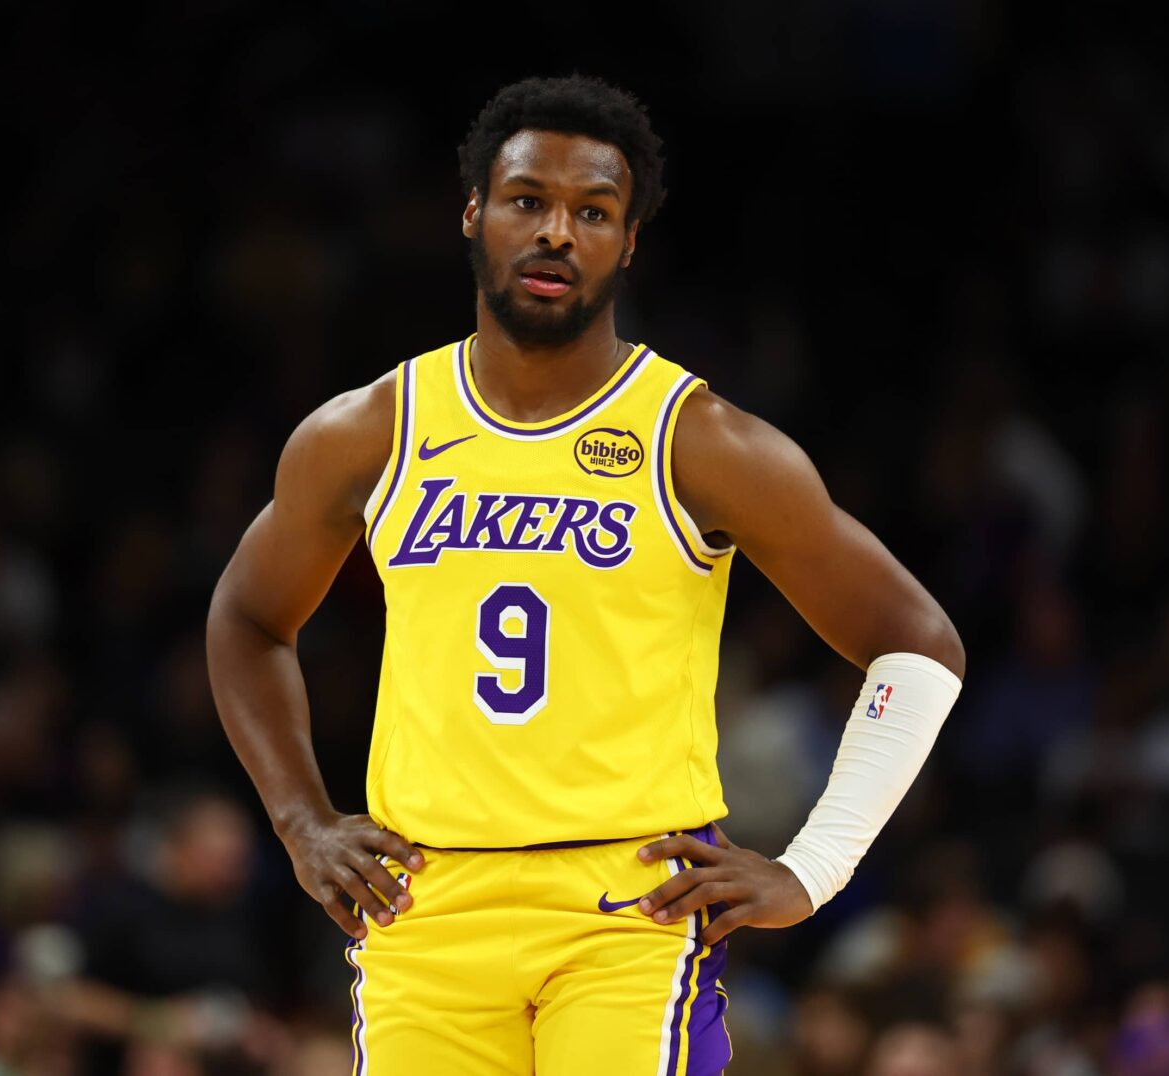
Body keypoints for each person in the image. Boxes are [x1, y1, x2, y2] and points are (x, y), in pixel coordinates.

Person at [206, 74, 966, 1075]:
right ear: (474, 213)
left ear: (629, 240)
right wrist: (302, 819)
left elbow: (917, 642)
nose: (558, 231)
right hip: (422, 904)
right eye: (529, 200)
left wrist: (811, 868)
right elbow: (248, 618)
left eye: (593, 211)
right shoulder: (371, 430)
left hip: (627, 907)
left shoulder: (701, 441)